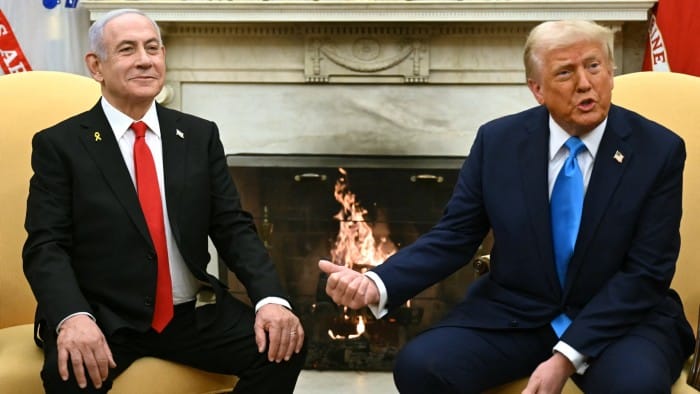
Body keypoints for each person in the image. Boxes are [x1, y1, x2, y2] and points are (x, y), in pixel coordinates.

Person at [320, 20, 696, 393]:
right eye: (565, 72)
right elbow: (455, 235)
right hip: (519, 315)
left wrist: (564, 357)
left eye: (594, 66)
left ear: (611, 72)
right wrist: (377, 283)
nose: (585, 83)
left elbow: (646, 273)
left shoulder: (657, 150)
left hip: (623, 321)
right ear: (537, 89)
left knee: (636, 387)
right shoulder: (498, 142)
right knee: (421, 366)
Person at [23, 8, 305, 394]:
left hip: (189, 315)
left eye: (152, 48)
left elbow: (232, 226)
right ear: (96, 65)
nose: (144, 59)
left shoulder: (198, 136)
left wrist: (270, 299)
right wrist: (73, 316)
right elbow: (45, 245)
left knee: (284, 348)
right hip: (103, 314)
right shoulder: (61, 145)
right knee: (69, 375)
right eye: (127, 49)